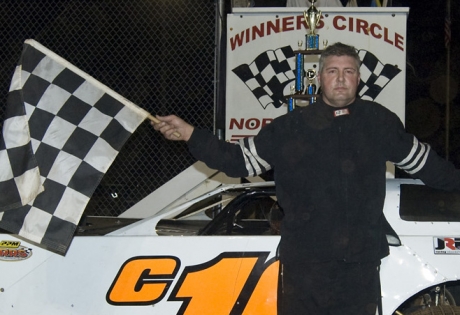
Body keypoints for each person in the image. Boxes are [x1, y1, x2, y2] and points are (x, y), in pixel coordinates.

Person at [152, 42, 460, 315]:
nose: (341, 78)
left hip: (360, 266)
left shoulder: (379, 122)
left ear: (359, 79)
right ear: (320, 78)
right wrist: (191, 134)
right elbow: (238, 161)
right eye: (333, 71)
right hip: (305, 265)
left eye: (349, 71)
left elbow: (428, 166)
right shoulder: (289, 128)